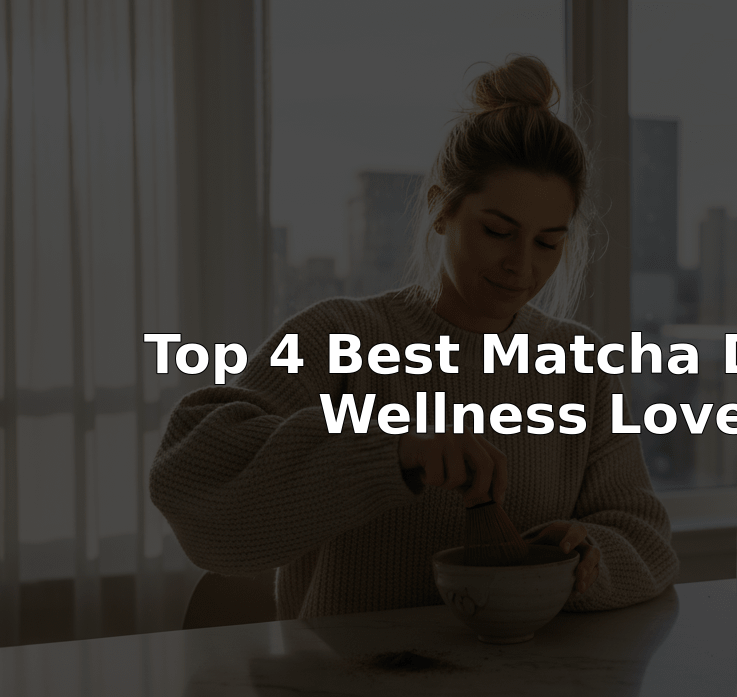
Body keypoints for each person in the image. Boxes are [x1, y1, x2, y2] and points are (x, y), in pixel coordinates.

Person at [150, 56, 678, 620]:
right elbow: (190, 474)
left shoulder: (583, 368)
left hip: (530, 694)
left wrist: (589, 552)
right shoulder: (338, 337)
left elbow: (644, 538)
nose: (521, 267)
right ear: (440, 210)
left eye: (548, 243)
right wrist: (391, 453)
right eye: (498, 232)